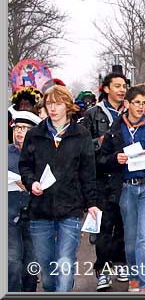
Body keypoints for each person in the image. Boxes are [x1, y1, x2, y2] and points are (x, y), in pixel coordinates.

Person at [18, 85, 100, 292]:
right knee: (47, 271)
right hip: (40, 210)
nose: (53, 108)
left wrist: (92, 203)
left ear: (68, 106)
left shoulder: (80, 135)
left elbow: (88, 173)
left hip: (70, 210)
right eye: (49, 104)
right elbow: (25, 165)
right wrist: (31, 182)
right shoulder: (34, 135)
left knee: (64, 264)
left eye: (58, 104)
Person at [98, 86, 145, 293]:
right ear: (127, 104)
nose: (141, 107)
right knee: (131, 239)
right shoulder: (115, 130)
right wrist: (116, 159)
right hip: (125, 188)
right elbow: (101, 160)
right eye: (137, 103)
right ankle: (134, 277)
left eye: (144, 103)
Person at [82, 72, 128, 291]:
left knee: (123, 224)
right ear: (106, 89)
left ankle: (120, 262)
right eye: (117, 86)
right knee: (103, 227)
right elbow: (82, 145)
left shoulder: (131, 113)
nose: (121, 90)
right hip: (101, 178)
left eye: (124, 86)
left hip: (124, 176)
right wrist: (99, 142)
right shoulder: (93, 114)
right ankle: (102, 269)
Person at [8, 110, 41, 292]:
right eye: (17, 127)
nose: (19, 132)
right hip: (8, 216)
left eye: (25, 128)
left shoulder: (42, 155)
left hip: (34, 216)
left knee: (30, 266)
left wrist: (30, 184)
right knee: (12, 263)